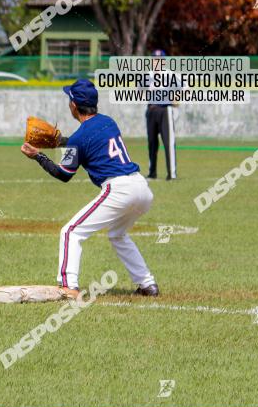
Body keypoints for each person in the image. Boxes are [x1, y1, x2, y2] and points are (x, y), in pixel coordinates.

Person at [20, 79, 159, 296]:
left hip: (119, 189)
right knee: (118, 234)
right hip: (141, 187)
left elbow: (63, 174)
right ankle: (147, 284)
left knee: (71, 232)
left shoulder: (78, 138)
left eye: (69, 99)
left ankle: (68, 286)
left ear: (74, 105)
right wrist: (62, 141)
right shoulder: (108, 122)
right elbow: (87, 141)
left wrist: (38, 156)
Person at [146, 49, 177, 179]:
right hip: (151, 109)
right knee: (152, 142)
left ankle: (172, 174)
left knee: (168, 142)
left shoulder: (170, 75)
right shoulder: (148, 75)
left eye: (159, 59)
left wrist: (176, 98)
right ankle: (152, 173)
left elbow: (185, 87)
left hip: (165, 110)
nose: (156, 61)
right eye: (154, 59)